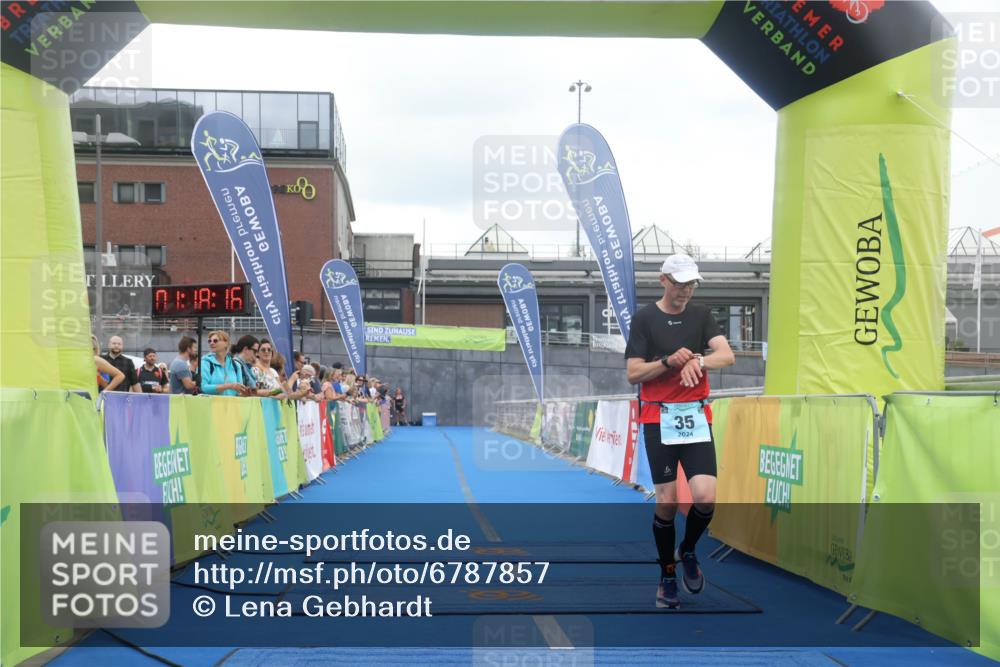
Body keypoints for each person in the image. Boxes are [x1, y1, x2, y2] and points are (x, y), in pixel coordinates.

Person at [624, 254, 735, 609]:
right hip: (658, 418)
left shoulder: (701, 315)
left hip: (696, 417)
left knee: (705, 496)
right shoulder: (644, 318)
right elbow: (633, 373)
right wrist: (668, 362)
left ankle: (686, 550)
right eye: (679, 283)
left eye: (691, 284)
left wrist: (698, 360)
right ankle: (667, 575)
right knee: (667, 502)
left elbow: (727, 355)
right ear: (663, 280)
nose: (686, 290)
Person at [200, 330, 248, 397]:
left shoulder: (236, 365)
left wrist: (246, 393)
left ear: (226, 343)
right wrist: (229, 386)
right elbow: (203, 387)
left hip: (231, 403)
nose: (211, 343)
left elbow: (239, 391)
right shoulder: (205, 362)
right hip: (211, 403)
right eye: (209, 341)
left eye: (215, 341)